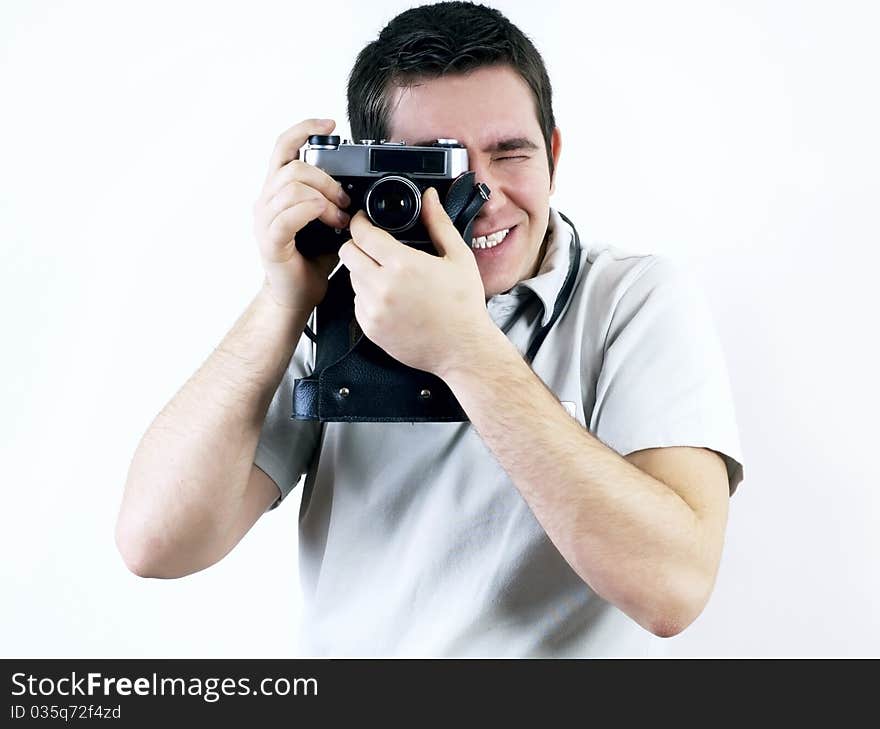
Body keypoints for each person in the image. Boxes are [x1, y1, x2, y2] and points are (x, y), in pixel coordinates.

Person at [115, 1, 744, 657]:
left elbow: (673, 588)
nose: (483, 195)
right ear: (369, 172)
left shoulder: (630, 300)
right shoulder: (336, 309)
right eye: (436, 166)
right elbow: (155, 542)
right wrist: (284, 298)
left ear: (554, 153)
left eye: (510, 154)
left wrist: (465, 350)